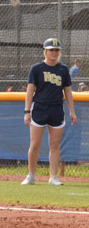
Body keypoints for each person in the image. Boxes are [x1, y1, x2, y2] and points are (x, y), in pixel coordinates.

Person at [21, 38, 77, 186]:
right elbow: (30, 91)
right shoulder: (36, 68)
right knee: (35, 145)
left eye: (56, 50)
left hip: (57, 109)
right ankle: (31, 175)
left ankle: (53, 177)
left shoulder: (63, 69)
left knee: (55, 145)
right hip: (39, 108)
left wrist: (72, 111)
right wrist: (27, 111)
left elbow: (68, 92)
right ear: (45, 51)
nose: (54, 52)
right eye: (51, 50)